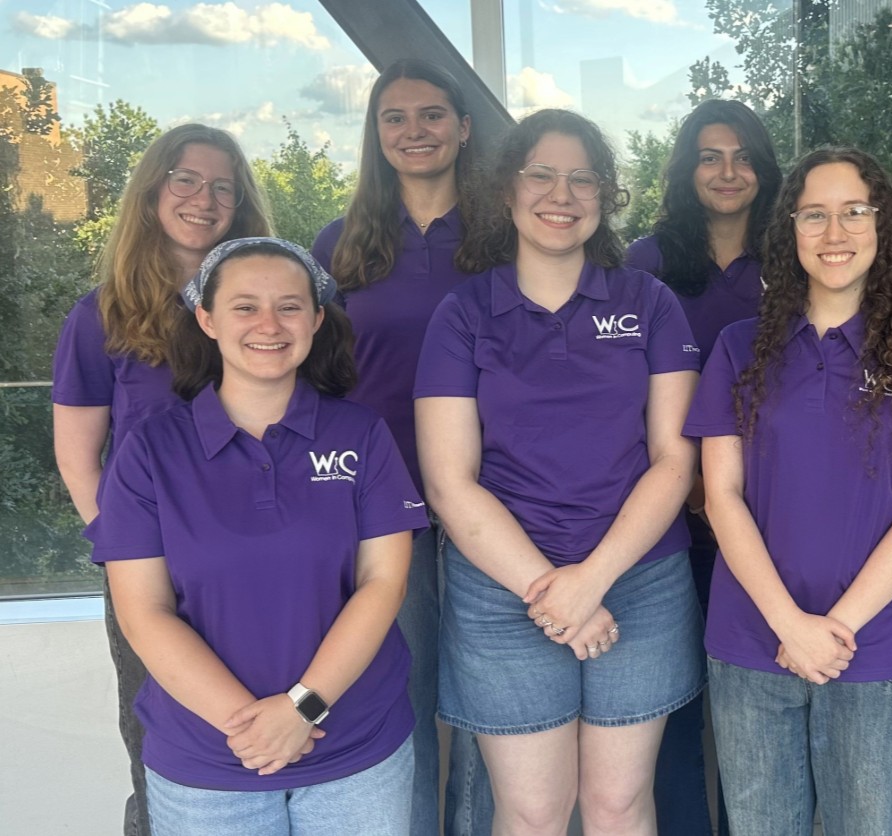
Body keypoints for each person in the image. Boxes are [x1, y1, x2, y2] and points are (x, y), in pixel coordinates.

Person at [415, 108, 704, 836]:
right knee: (535, 812)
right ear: (508, 190)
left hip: (637, 580)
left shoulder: (650, 303)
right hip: (503, 591)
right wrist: (553, 591)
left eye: (582, 178)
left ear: (605, 197)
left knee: (616, 806)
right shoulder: (463, 314)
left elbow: (675, 458)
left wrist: (592, 579)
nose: (561, 193)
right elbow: (450, 481)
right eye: (541, 173)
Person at [86, 237, 427, 834]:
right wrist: (253, 727)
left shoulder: (362, 435)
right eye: (245, 306)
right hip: (207, 760)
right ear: (207, 319)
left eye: (290, 306)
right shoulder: (150, 451)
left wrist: (302, 709)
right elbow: (144, 611)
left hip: (355, 748)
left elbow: (384, 583)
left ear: (317, 320)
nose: (269, 324)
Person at [684, 146, 892, 835]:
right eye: (814, 215)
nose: (834, 234)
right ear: (789, 232)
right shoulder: (737, 349)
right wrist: (791, 627)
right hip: (754, 641)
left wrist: (833, 632)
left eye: (854, 213)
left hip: (877, 647)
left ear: (882, 227)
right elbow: (721, 498)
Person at [51, 123, 271, 835]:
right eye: (186, 180)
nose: (203, 200)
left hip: (259, 564)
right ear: (151, 193)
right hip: (152, 575)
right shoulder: (101, 316)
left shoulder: (263, 313)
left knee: (261, 737)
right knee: (161, 749)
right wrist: (124, 555)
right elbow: (79, 459)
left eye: (222, 188)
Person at [311, 58, 493, 836]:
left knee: (496, 697)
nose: (414, 130)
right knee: (402, 693)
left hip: (498, 499)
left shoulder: (505, 237)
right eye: (395, 117)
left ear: (463, 128)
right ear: (376, 135)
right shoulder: (339, 244)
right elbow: (312, 377)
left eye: (430, 115)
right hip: (384, 508)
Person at [624, 97, 781, 834]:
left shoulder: (795, 257)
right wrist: (681, 483)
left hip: (772, 516)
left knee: (756, 710)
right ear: (685, 168)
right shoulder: (644, 264)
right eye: (710, 156)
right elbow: (619, 393)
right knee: (675, 707)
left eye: (743, 155)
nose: (727, 171)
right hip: (670, 518)